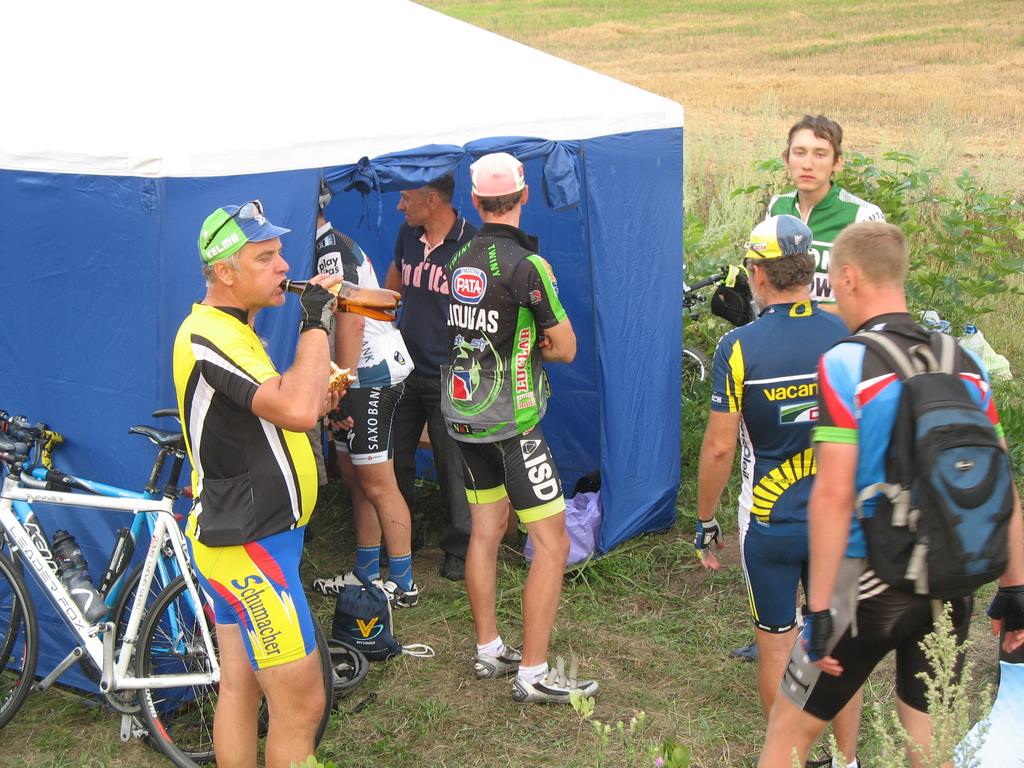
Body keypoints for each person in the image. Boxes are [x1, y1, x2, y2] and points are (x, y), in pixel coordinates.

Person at [759, 222, 1024, 768]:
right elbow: (1002, 481)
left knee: (787, 734)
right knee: (927, 746)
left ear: (849, 277)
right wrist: (1017, 590)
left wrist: (821, 609)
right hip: (950, 577)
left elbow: (833, 494)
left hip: (867, 581)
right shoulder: (965, 363)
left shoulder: (846, 363)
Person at [173, 200, 339, 768]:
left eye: (280, 252)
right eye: (264, 257)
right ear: (224, 272)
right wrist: (315, 322)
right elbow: (295, 410)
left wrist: (316, 392)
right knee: (302, 706)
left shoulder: (231, 330)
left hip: (250, 537)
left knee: (241, 691)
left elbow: (277, 408)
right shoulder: (210, 335)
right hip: (251, 544)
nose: (283, 266)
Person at [694, 215, 861, 767]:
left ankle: (788, 758)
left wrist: (705, 519)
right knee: (838, 642)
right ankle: (847, 759)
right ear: (810, 270)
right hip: (838, 516)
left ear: (758, 275)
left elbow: (720, 448)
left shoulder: (738, 345)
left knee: (776, 643)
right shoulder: (846, 334)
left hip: (769, 519)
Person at [443, 152, 598, 703]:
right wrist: (533, 349)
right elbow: (567, 347)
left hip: (464, 416)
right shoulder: (528, 266)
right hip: (513, 422)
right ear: (525, 195)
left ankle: (489, 648)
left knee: (486, 530)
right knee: (552, 544)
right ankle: (533, 673)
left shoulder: (457, 256)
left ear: (474, 200)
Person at [310, 188, 419, 607]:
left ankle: (404, 583)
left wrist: (338, 386)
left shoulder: (330, 250)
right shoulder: (323, 246)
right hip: (355, 373)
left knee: (376, 480)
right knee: (355, 476)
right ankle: (366, 572)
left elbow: (350, 319)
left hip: (369, 372)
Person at [385, 174, 478, 581]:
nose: (400, 206)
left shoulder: (472, 244)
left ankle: (460, 547)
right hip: (406, 368)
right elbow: (394, 286)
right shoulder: (408, 236)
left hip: (450, 373)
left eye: (406, 198)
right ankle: (403, 535)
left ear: (433, 199)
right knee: (393, 458)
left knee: (453, 464)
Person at [767, 115, 885, 311]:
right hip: (783, 326)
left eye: (820, 154)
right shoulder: (777, 207)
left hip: (839, 328)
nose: (807, 164)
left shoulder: (863, 216)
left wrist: (807, 313)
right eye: (799, 153)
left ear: (837, 163)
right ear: (786, 159)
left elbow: (878, 298)